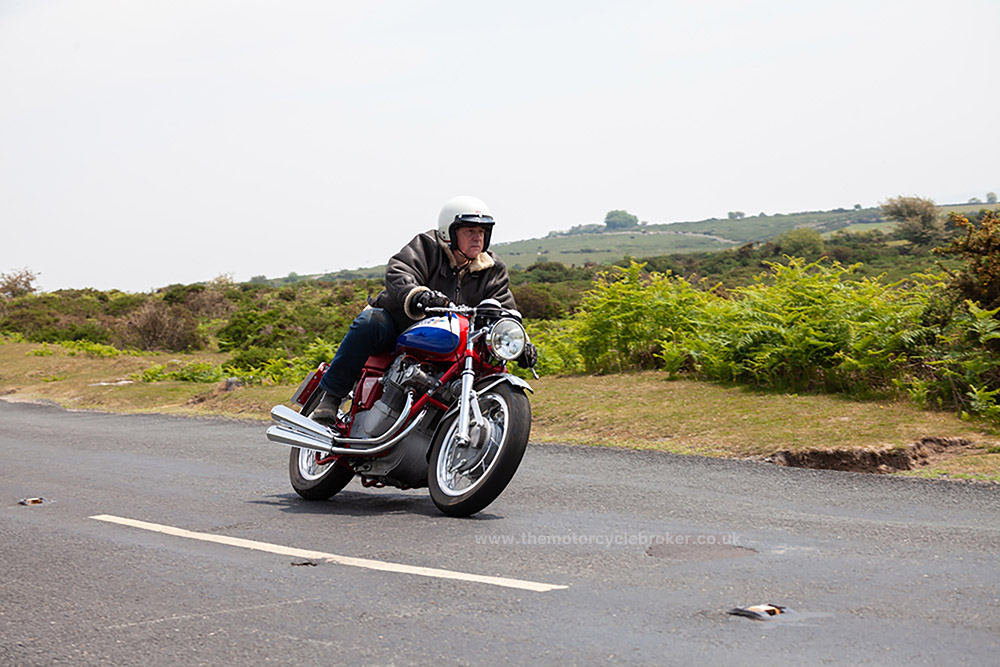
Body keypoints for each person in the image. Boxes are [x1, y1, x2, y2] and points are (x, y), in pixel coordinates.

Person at [311, 195, 537, 423]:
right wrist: (420, 295)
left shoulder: (492, 269)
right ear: (449, 232)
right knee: (370, 322)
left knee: (490, 365)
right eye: (470, 231)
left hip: (454, 339)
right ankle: (330, 398)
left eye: (482, 232)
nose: (477, 237)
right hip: (404, 322)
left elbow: (505, 309)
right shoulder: (426, 246)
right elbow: (400, 271)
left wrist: (521, 342)